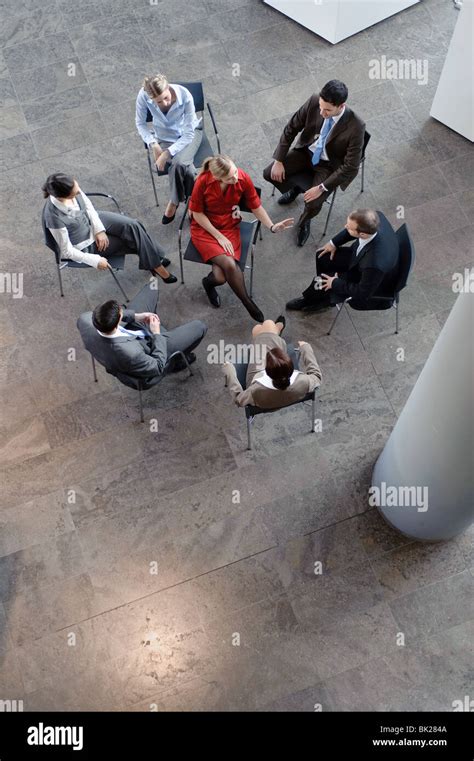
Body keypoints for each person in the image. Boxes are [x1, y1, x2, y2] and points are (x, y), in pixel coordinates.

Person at [189, 154, 293, 322]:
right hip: (206, 229)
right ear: (216, 177)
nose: (236, 178)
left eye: (235, 172)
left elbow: (256, 207)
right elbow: (197, 214)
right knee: (229, 264)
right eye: (230, 178)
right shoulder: (203, 181)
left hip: (229, 226)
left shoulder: (242, 178)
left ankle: (208, 283)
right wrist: (218, 236)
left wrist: (272, 226)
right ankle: (247, 302)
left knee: (220, 278)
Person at [263, 80, 365, 247]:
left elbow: (351, 166)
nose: (322, 112)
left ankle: (305, 221)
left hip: (328, 165)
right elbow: (291, 127)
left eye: (327, 110)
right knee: (269, 173)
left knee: (313, 204)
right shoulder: (314, 100)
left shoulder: (356, 126)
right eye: (320, 107)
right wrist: (279, 159)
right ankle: (295, 189)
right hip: (306, 152)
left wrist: (322, 188)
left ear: (341, 106)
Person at [42, 173, 177, 283]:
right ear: (63, 196)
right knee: (132, 240)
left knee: (134, 225)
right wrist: (94, 260)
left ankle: (154, 262)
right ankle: (157, 264)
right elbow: (66, 251)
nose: (78, 191)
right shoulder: (53, 218)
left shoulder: (71, 186)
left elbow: (88, 206)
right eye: (74, 193)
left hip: (93, 220)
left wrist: (99, 230)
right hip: (85, 243)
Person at [77, 282, 207, 385]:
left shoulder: (84, 319)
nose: (123, 310)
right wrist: (156, 334)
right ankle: (176, 361)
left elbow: (114, 317)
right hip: (150, 352)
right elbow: (157, 366)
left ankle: (155, 330)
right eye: (121, 312)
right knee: (199, 327)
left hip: (129, 333)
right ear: (116, 322)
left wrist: (136, 316)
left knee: (152, 286)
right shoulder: (131, 353)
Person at [286, 209, 399, 312]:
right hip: (359, 258)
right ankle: (325, 295)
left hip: (363, 277)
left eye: (349, 227)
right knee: (322, 255)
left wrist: (334, 283)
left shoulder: (374, 264)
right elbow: (352, 231)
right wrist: (333, 243)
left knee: (320, 281)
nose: (345, 227)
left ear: (362, 234)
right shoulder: (374, 218)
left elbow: (363, 292)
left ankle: (312, 300)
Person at [136, 74, 202, 224]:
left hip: (190, 135)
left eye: (166, 97)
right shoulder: (143, 95)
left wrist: (167, 153)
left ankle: (173, 201)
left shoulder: (184, 95)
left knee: (178, 164)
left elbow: (189, 134)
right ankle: (193, 203)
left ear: (168, 87)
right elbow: (140, 124)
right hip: (165, 137)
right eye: (158, 102)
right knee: (189, 170)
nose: (164, 103)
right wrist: (153, 143)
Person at [222, 316, 322, 408]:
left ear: (267, 370)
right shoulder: (304, 382)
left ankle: (276, 329)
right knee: (264, 327)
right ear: (291, 368)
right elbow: (317, 376)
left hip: (259, 381)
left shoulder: (255, 391)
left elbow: (239, 400)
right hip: (291, 397)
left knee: (259, 328)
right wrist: (306, 348)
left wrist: (229, 371)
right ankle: (276, 329)